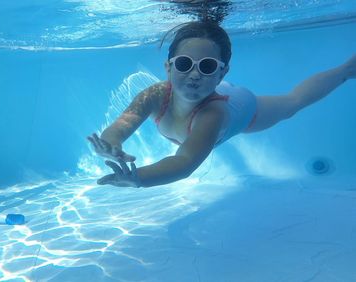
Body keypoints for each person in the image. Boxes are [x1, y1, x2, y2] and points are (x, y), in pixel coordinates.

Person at [87, 20, 356, 188]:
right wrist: (111, 145)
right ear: (168, 68)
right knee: (289, 103)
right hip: (212, 91)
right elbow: (123, 124)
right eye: (184, 64)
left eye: (206, 66)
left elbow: (185, 161)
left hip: (242, 108)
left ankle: (347, 69)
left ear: (222, 72)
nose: (194, 73)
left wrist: (139, 178)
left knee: (292, 103)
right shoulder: (156, 94)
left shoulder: (213, 116)